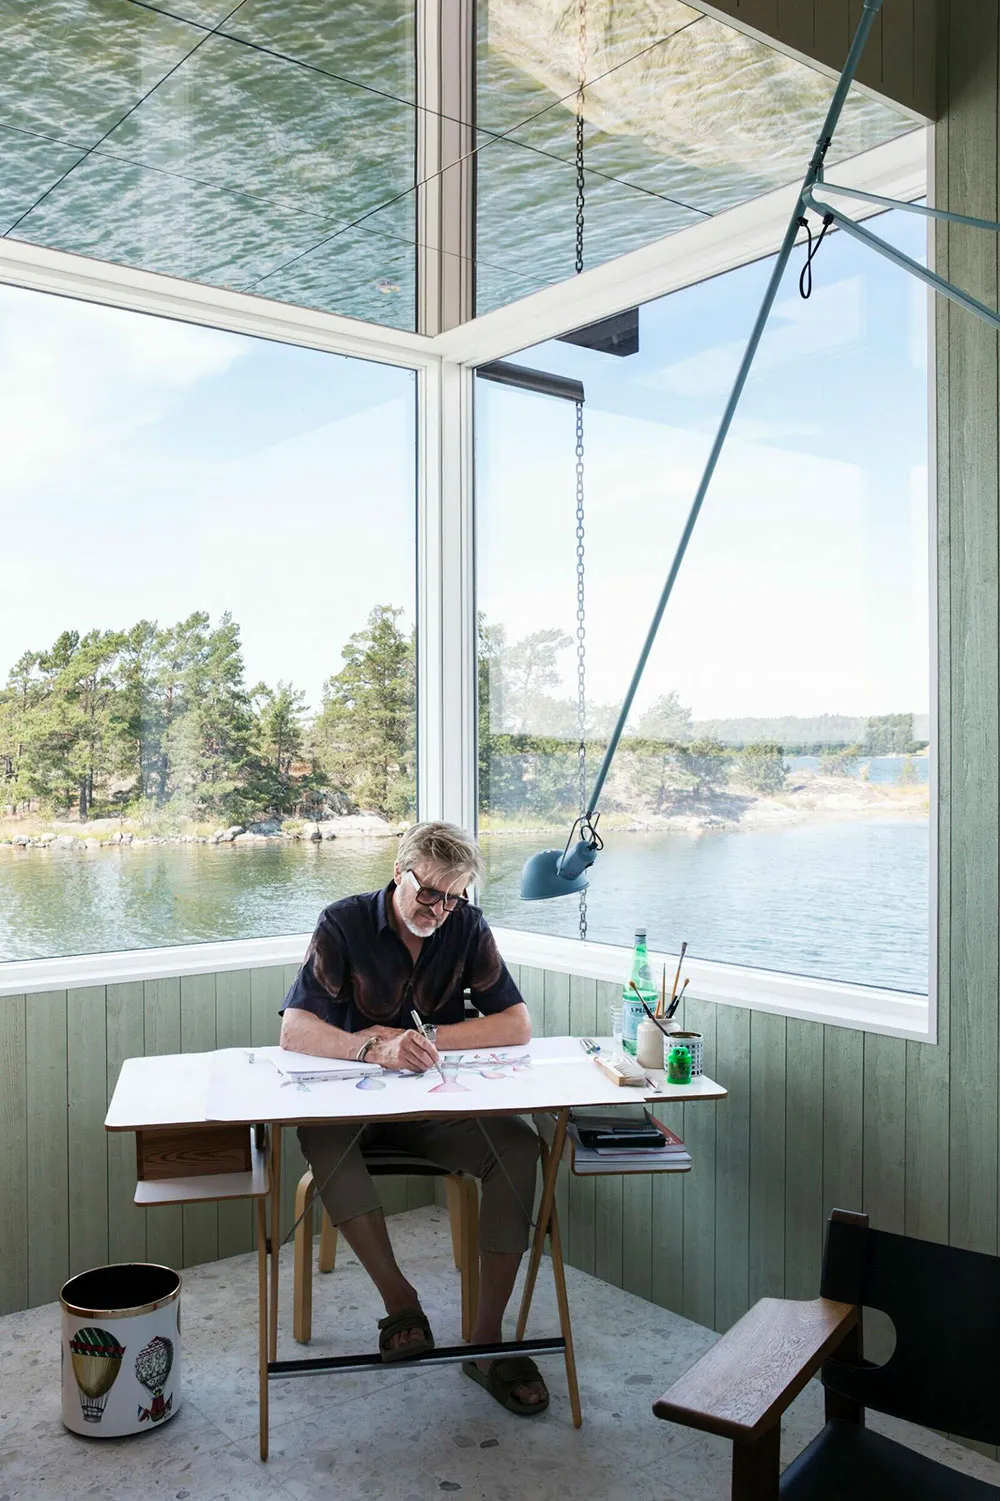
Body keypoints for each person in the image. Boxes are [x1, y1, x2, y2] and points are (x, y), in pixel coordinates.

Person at [279, 820, 548, 1415]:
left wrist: (425, 1038)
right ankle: (401, 1303)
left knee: (520, 1148)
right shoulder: (343, 923)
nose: (440, 908)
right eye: (429, 892)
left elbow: (516, 1024)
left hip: (433, 1104)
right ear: (399, 874)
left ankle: (485, 1342)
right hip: (352, 1104)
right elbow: (294, 1028)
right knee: (320, 1138)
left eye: (454, 897)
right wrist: (373, 1048)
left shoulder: (466, 926)